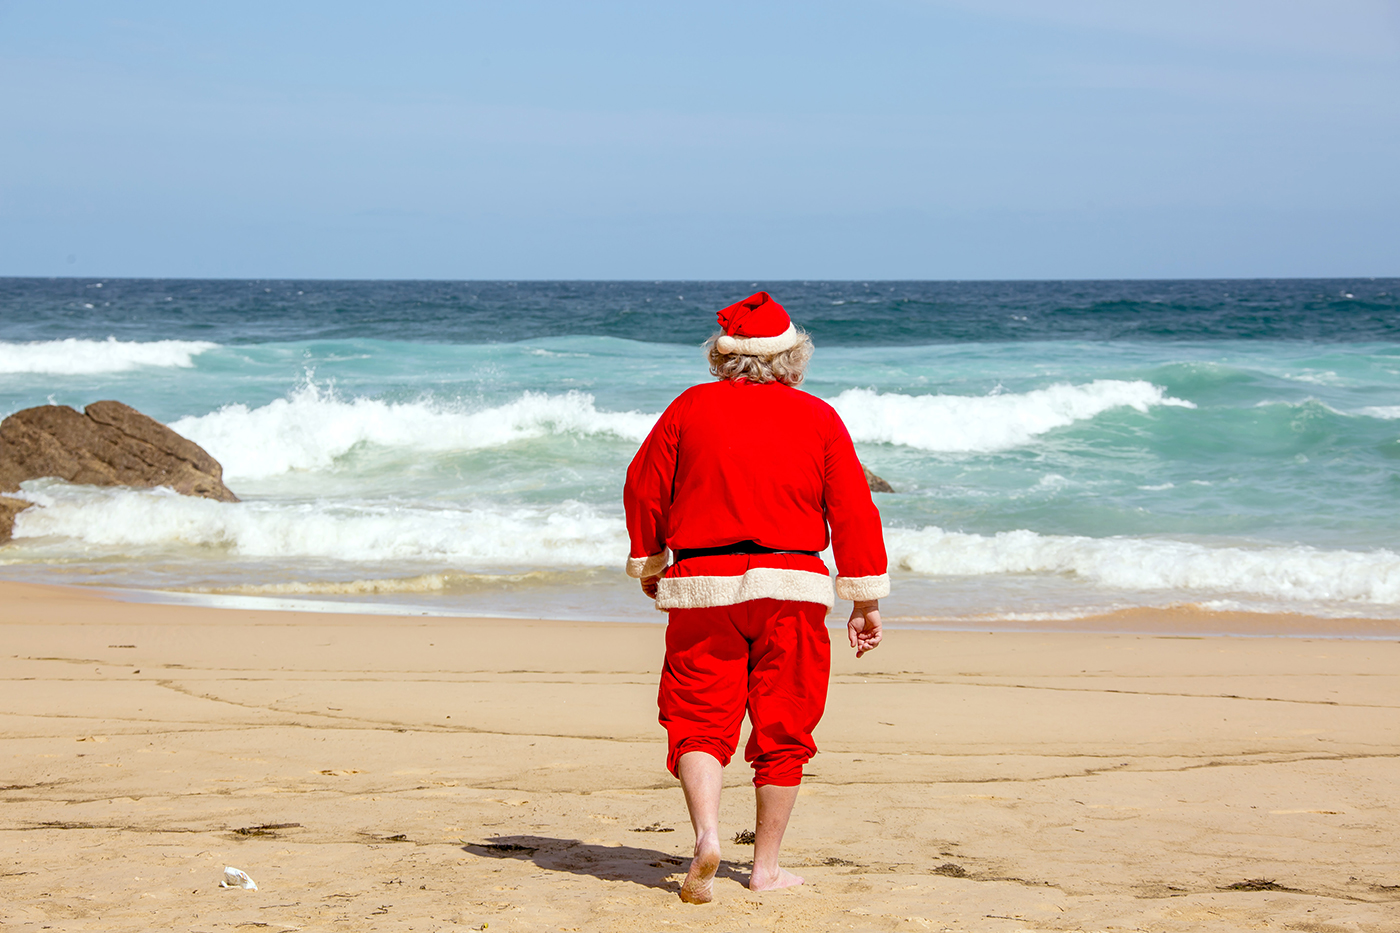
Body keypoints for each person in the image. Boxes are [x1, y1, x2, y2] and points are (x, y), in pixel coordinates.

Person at [623, 291, 888, 904]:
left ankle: (707, 836)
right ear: (791, 359)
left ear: (723, 357)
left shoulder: (688, 407)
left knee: (695, 719)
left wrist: (650, 561)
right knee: (784, 727)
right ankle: (765, 868)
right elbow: (852, 510)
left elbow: (644, 485)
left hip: (702, 586)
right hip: (791, 588)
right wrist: (864, 598)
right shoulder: (818, 416)